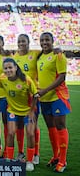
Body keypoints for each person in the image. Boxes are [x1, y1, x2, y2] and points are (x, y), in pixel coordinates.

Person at [37, 32, 71, 173]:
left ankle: (63, 161)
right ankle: (56, 156)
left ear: (52, 41)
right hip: (44, 99)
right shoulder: (40, 57)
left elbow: (62, 77)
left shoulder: (58, 56)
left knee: (60, 126)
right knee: (51, 128)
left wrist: (45, 90)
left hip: (57, 96)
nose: (45, 42)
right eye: (42, 40)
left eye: (47, 40)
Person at [1, 58, 38, 172]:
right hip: (12, 110)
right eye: (6, 68)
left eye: (10, 67)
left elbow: (36, 95)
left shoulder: (26, 79)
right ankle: (10, 160)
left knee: (30, 134)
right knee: (11, 133)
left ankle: (30, 161)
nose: (8, 70)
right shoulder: (2, 79)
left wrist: (32, 111)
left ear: (16, 67)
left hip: (27, 111)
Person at [13, 34, 41, 163]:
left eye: (23, 41)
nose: (21, 43)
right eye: (19, 41)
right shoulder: (15, 57)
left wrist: (56, 50)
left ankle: (36, 153)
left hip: (32, 96)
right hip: (19, 97)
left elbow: (47, 53)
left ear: (28, 42)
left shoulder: (35, 54)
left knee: (32, 126)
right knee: (19, 126)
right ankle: (20, 152)